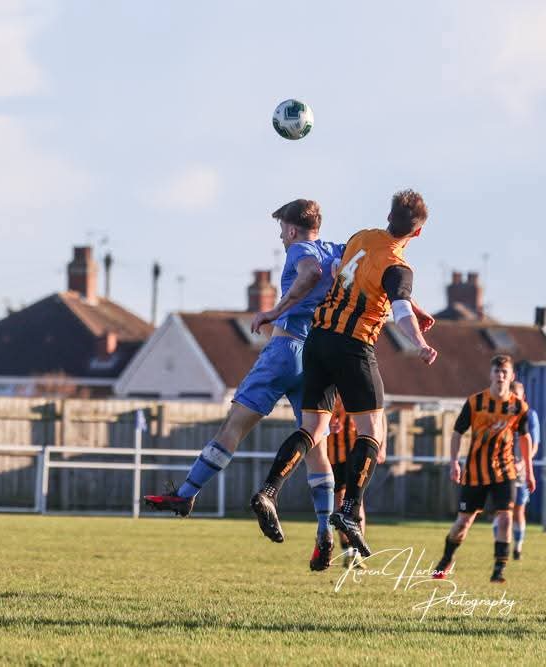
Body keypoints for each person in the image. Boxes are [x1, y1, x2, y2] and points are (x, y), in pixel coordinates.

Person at [143, 199, 346, 570]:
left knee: (233, 426)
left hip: (285, 350)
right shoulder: (338, 250)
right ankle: (323, 533)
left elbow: (310, 272)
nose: (280, 237)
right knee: (317, 447)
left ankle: (187, 495)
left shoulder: (301, 249)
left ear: (291, 228)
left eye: (281, 229)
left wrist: (275, 310)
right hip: (318, 356)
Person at [249, 189, 437, 558]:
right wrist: (419, 341)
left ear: (388, 216)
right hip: (353, 346)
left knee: (313, 428)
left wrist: (416, 307)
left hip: (318, 339)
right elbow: (398, 311)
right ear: (417, 234)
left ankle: (269, 490)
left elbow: (341, 272)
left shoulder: (361, 238)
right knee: (373, 431)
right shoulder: (399, 267)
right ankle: (350, 510)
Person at [432, 355, 535, 583]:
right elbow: (458, 432)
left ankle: (499, 570)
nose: (500, 376)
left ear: (512, 376)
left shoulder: (518, 407)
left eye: (505, 372)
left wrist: (528, 471)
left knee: (506, 517)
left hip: (505, 472)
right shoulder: (475, 402)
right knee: (463, 523)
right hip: (475, 473)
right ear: (490, 374)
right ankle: (446, 560)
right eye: (497, 372)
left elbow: (525, 438)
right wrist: (453, 462)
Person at [326, 397, 366, 569]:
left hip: (355, 450)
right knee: (340, 501)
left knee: (357, 499)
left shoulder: (357, 382)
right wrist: (326, 427)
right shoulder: (324, 383)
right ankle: (348, 552)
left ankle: (357, 551)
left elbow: (379, 415)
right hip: (332, 454)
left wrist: (382, 444)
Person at [507, 381, 539, 559]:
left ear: (522, 397)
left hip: (520, 470)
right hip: (502, 469)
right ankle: (501, 552)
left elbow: (533, 444)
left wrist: (523, 464)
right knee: (503, 509)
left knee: (518, 509)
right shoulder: (500, 413)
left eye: (516, 396)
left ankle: (517, 547)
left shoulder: (530, 415)